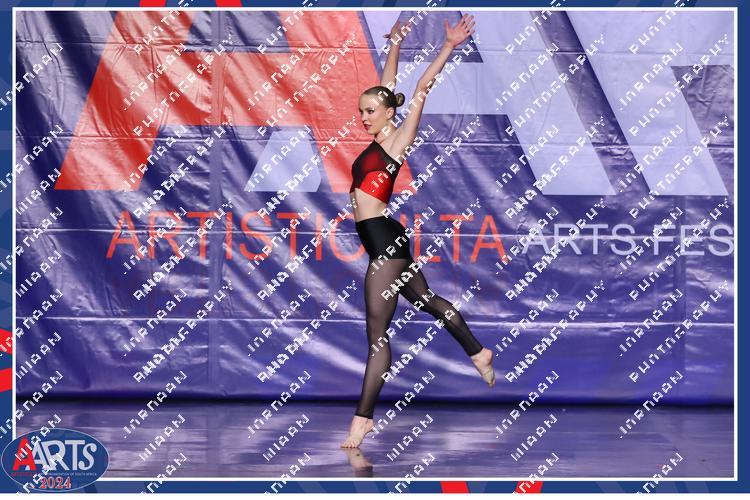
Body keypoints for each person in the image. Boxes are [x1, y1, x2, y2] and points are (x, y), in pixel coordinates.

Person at [341, 14, 494, 449]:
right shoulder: (378, 139)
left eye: (370, 112)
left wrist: (448, 46)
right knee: (425, 300)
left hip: (385, 245)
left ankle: (362, 420)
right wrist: (394, 44)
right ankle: (477, 351)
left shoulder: (396, 141)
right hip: (387, 238)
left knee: (377, 337)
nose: (364, 118)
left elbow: (422, 87)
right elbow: (386, 86)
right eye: (361, 112)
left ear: (390, 113)